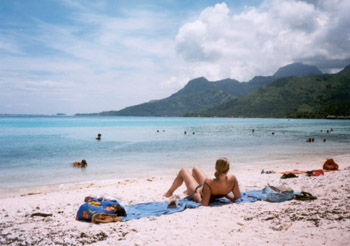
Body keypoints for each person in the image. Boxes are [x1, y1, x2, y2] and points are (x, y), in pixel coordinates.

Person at [164, 157, 241, 206]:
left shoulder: (209, 182)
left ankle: (169, 192)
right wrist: (225, 194)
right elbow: (237, 198)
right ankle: (187, 191)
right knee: (195, 168)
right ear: (228, 169)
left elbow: (204, 204)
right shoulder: (233, 179)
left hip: (197, 191)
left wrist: (198, 198)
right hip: (208, 189)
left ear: (216, 168)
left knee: (183, 170)